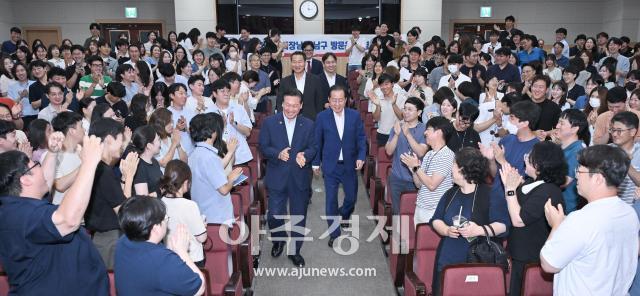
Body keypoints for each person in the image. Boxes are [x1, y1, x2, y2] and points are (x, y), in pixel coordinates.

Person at [0, 135, 109, 295]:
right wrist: (89, 163)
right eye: (36, 164)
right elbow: (68, 220)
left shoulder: (19, 205)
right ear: (25, 180)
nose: (41, 168)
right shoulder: (18, 215)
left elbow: (46, 180)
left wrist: (52, 152)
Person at [540, 145, 639, 295]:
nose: (577, 176)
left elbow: (548, 264)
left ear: (598, 178)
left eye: (579, 171)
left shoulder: (581, 219)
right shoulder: (628, 213)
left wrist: (556, 226)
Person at [431, 147, 509, 295]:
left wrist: (478, 230)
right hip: (448, 256)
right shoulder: (451, 193)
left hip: (478, 260)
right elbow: (436, 219)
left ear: (463, 169)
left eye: (453, 165)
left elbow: (504, 225)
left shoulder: (490, 194)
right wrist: (446, 230)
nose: (451, 169)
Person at [500, 141, 567, 296]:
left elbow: (519, 220)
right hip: (520, 254)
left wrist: (510, 190)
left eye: (528, 157)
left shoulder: (548, 191)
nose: (525, 160)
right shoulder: (533, 183)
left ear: (538, 165)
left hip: (531, 258)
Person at [259, 89, 316, 267]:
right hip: (277, 176)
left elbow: (314, 147)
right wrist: (277, 153)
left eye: (295, 106)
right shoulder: (269, 122)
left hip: (300, 178)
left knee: (299, 216)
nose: (291, 109)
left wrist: (305, 155)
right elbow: (262, 146)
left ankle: (295, 251)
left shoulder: (308, 124)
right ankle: (278, 239)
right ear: (282, 104)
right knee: (275, 215)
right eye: (288, 105)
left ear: (301, 106)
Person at [114, 196, 205, 295]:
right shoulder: (161, 259)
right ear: (156, 228)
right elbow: (199, 288)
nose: (167, 222)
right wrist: (182, 252)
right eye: (165, 219)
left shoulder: (122, 243)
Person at [313, 85, 366, 247]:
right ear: (329, 100)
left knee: (351, 198)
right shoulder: (322, 117)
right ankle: (334, 233)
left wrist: (361, 156)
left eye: (340, 100)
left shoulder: (354, 116)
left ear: (346, 100)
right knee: (330, 201)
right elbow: (317, 141)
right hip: (331, 166)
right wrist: (315, 163)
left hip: (349, 166)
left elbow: (361, 138)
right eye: (334, 100)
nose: (337, 103)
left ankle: (343, 214)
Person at [85, 118, 139, 269]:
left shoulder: (96, 166)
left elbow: (114, 199)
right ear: (109, 140)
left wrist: (123, 179)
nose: (123, 146)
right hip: (109, 239)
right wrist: (129, 177)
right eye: (121, 140)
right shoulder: (103, 171)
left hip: (103, 237)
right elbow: (125, 213)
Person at [481, 100, 541, 204]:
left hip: (513, 203)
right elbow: (496, 174)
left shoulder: (537, 148)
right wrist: (490, 160)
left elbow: (524, 185)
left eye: (512, 118)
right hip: (494, 197)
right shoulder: (507, 139)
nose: (508, 120)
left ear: (525, 123)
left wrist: (502, 160)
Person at [188, 113, 242, 225]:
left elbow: (211, 174)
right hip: (217, 217)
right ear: (212, 132)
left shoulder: (194, 154)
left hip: (202, 214)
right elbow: (224, 190)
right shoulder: (210, 157)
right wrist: (231, 178)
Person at [401, 116, 455, 225]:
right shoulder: (429, 154)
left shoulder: (446, 155)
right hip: (421, 206)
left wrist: (416, 167)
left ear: (439, 132)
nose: (425, 133)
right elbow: (419, 184)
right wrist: (413, 170)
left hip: (435, 210)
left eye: (428, 129)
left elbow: (432, 185)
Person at [385, 97, 427, 215]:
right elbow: (388, 151)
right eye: (405, 109)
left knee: (414, 214)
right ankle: (397, 233)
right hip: (396, 177)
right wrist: (397, 135)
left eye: (410, 109)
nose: (406, 112)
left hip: (416, 180)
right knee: (397, 213)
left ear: (419, 112)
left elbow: (421, 152)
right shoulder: (397, 127)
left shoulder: (424, 129)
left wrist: (407, 134)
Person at [160, 159, 207, 265]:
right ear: (186, 182)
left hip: (170, 257)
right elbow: (202, 238)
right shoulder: (190, 205)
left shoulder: (161, 203)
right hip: (192, 258)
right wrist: (202, 226)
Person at [553, 110, 589, 214]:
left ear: (574, 129)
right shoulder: (560, 147)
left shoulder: (578, 151)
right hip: (555, 205)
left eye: (562, 123)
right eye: (558, 122)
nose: (557, 126)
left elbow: (564, 181)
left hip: (565, 209)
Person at [209, 79, 253, 165]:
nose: (226, 94)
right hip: (218, 157)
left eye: (228, 91)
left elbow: (248, 132)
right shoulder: (209, 112)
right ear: (214, 94)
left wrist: (234, 123)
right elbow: (207, 137)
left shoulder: (239, 108)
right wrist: (222, 126)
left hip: (240, 156)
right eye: (222, 91)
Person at [276, 51, 324, 120]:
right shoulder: (284, 81)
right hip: (290, 119)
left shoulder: (315, 80)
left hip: (311, 120)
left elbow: (319, 103)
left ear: (305, 63)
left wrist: (318, 120)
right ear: (291, 63)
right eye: (294, 62)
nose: (297, 65)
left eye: (300, 62)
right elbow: (280, 103)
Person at [50, 111, 84, 205]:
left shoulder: (81, 150)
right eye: (81, 126)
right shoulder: (53, 155)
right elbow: (60, 185)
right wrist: (85, 164)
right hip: (62, 211)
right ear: (72, 131)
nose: (84, 130)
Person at [369, 73, 406, 146]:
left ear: (392, 84)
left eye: (386, 84)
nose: (384, 87)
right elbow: (376, 118)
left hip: (398, 133)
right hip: (382, 134)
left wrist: (394, 104)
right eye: (381, 85)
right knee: (382, 156)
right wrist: (378, 106)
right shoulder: (377, 98)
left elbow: (401, 117)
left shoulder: (401, 97)